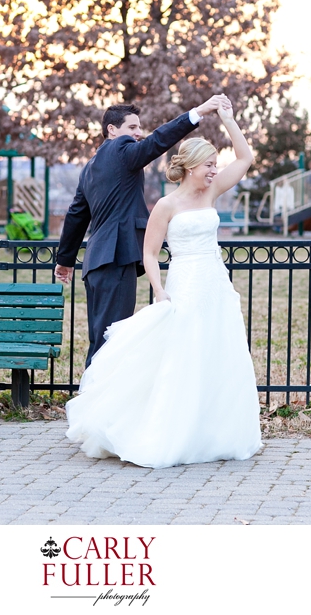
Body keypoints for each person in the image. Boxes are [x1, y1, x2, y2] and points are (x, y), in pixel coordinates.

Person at [65, 97, 262, 469]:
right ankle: (166, 427)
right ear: (189, 168)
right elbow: (150, 253)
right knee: (180, 356)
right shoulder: (165, 205)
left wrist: (228, 119)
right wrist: (158, 289)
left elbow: (245, 158)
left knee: (219, 352)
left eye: (213, 166)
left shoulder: (213, 191)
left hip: (215, 283)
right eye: (207, 165)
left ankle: (214, 430)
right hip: (184, 282)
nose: (212, 171)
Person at [55, 94, 227, 367]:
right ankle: (97, 402)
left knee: (101, 336)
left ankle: (93, 397)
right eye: (132, 127)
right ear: (112, 130)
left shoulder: (90, 167)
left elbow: (77, 215)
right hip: (116, 256)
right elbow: (156, 142)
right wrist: (198, 112)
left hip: (96, 262)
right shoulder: (122, 150)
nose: (138, 133)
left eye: (139, 127)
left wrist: (65, 261)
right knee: (114, 338)